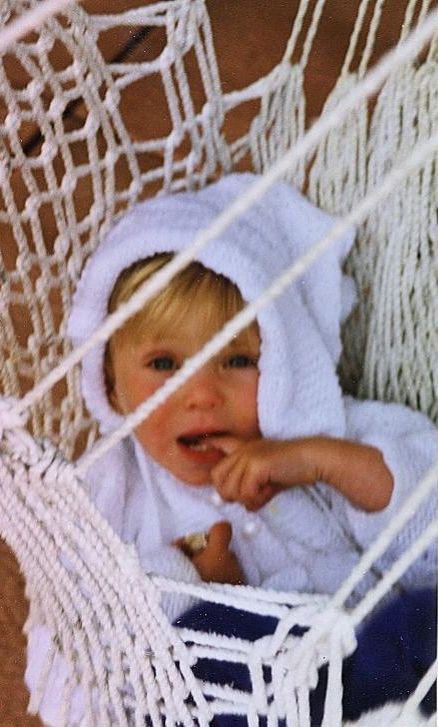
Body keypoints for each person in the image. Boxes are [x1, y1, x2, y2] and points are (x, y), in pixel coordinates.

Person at [26, 173, 437, 724]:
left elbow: (427, 526)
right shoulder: (101, 495)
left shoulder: (330, 434)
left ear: (287, 361)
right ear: (111, 381)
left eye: (237, 361)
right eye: (164, 364)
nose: (201, 396)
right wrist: (201, 591)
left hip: (375, 676)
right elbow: (69, 670)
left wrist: (321, 461)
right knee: (193, 661)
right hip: (251, 707)